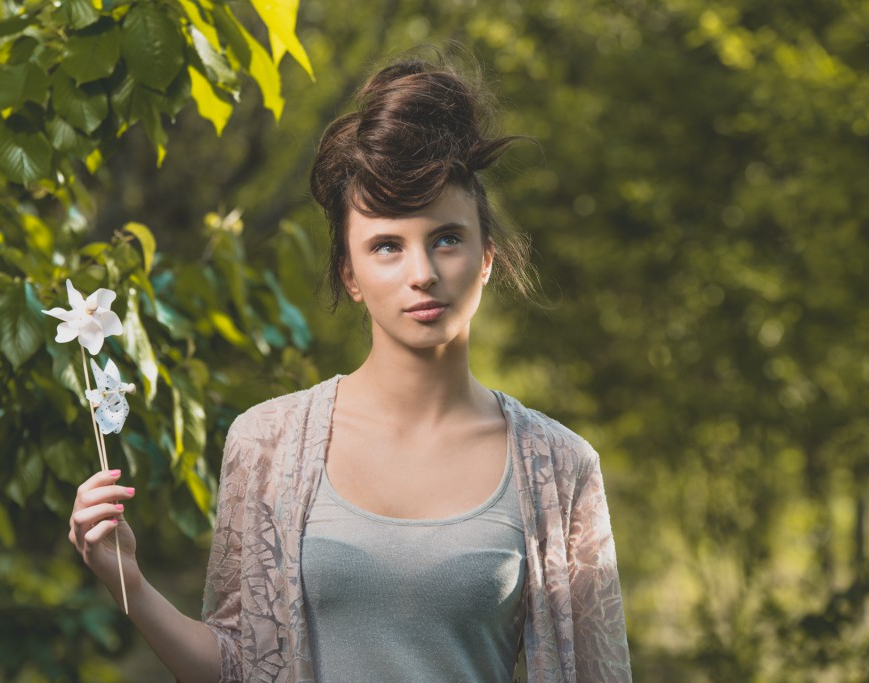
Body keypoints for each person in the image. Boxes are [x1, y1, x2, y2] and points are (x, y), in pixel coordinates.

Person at [69, 58, 631, 682]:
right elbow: (238, 670)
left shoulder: (559, 467)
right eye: (387, 246)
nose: (422, 271)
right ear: (349, 274)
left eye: (446, 238)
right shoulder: (267, 444)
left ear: (487, 258)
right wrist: (129, 584)